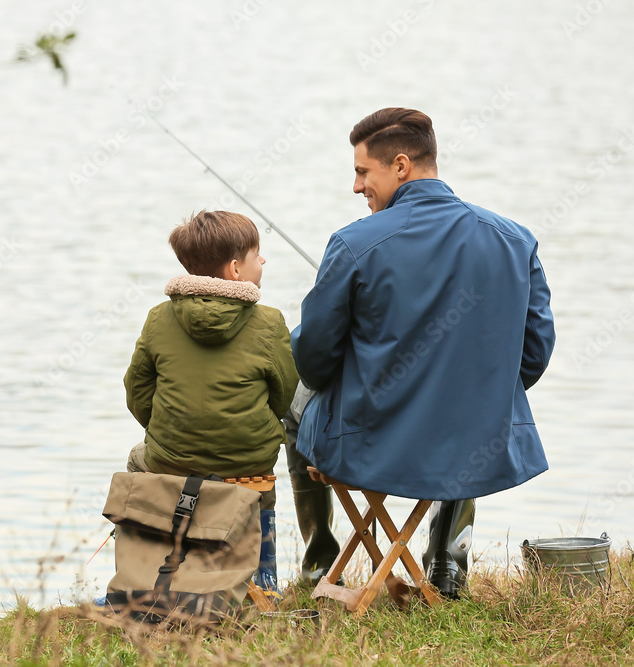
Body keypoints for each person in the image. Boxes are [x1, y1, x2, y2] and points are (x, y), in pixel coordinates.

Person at [289, 108, 556, 598]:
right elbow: (535, 352)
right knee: (476, 404)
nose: (355, 186)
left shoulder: (353, 243)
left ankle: (319, 567)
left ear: (401, 165)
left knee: (294, 401)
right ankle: (448, 565)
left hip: (371, 446)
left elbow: (313, 360)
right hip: (478, 443)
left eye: (362, 172)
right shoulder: (515, 240)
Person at [123, 210, 299, 595]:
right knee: (261, 481)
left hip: (172, 461)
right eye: (258, 254)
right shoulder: (269, 322)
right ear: (236, 269)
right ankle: (263, 580)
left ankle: (153, 573)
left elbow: (136, 392)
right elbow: (284, 393)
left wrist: (170, 431)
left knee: (139, 458)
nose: (263, 261)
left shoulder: (158, 318)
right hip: (246, 462)